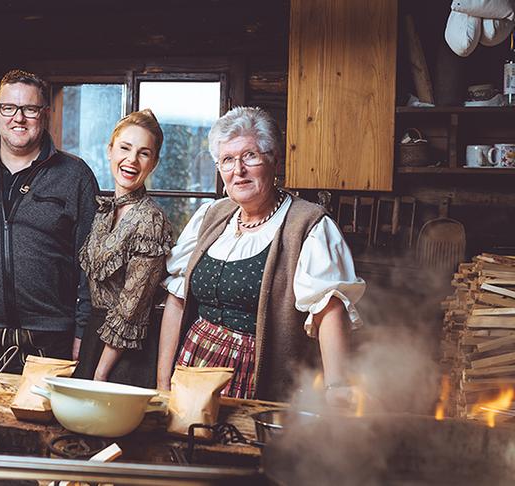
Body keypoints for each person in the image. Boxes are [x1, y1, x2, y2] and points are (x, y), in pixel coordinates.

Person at [156, 106, 365, 403]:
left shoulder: (307, 225)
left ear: (274, 161)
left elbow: (329, 310)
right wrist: (163, 382)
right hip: (191, 369)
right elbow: (177, 299)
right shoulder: (210, 216)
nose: (237, 171)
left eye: (249, 156)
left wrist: (336, 389)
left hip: (256, 376)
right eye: (227, 160)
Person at [0, 69, 98, 372]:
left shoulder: (75, 175)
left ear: (45, 113)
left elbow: (91, 261)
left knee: (40, 419)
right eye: (9, 108)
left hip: (49, 338)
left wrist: (82, 330)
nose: (18, 118)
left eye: (30, 109)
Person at [73, 109, 173, 388]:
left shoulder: (151, 220)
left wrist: (101, 372)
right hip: (96, 336)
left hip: (125, 355)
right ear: (110, 150)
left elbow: (132, 308)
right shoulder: (105, 211)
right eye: (125, 148)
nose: (131, 159)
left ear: (153, 162)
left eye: (143, 153)